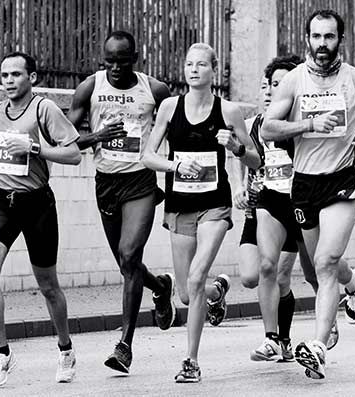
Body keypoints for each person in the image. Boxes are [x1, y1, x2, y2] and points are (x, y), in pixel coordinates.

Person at [261, 9, 355, 380]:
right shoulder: (293, 81)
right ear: (307, 39)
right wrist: (309, 123)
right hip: (305, 184)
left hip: (342, 180)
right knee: (323, 265)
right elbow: (267, 129)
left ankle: (317, 347)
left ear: (340, 39)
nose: (323, 44)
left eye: (329, 37)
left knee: (326, 262)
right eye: (316, 37)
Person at [142, 42, 261, 383]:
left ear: (214, 70)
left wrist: (235, 146)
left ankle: (190, 361)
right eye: (189, 64)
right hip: (179, 206)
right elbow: (148, 157)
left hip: (214, 205)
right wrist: (174, 165)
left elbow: (254, 158)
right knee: (185, 292)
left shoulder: (229, 111)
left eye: (201, 65)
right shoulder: (168, 107)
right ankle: (217, 292)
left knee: (195, 278)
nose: (194, 70)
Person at [66, 31, 176, 374]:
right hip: (107, 182)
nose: (115, 68)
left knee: (130, 255)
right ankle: (160, 287)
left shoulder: (154, 90)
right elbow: (66, 139)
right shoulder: (90, 87)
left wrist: (173, 182)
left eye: (122, 61)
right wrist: (96, 137)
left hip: (140, 181)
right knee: (125, 264)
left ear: (135, 58)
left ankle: (124, 345)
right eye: (109, 61)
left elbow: (175, 135)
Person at [0, 52, 82, 387]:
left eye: (15, 74)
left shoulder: (44, 109)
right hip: (2, 201)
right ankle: (2, 354)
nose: (8, 80)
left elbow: (74, 154)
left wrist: (37, 150)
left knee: (48, 286)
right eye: (4, 74)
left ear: (31, 78)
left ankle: (65, 349)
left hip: (37, 204)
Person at [234, 55, 338, 363]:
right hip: (271, 198)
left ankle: (329, 315)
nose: (270, 91)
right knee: (268, 268)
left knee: (315, 272)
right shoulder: (259, 123)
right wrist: (240, 185)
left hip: (304, 200)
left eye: (278, 84)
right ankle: (273, 339)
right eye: (268, 85)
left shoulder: (309, 118)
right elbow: (248, 155)